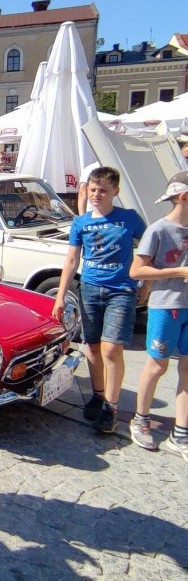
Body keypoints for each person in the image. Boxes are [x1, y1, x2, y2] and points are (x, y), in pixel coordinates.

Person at [52, 167, 146, 433]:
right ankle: (98, 393)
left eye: (103, 190)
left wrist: (146, 284)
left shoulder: (130, 219)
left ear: (115, 191)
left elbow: (148, 251)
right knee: (92, 346)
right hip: (90, 289)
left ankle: (111, 407)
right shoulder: (81, 222)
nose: (96, 194)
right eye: (92, 189)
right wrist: (60, 295)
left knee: (111, 349)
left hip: (121, 291)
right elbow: (72, 260)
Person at [127, 171, 188, 460]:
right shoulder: (158, 230)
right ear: (183, 197)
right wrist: (179, 272)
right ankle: (140, 419)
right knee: (157, 366)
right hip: (166, 305)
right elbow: (136, 270)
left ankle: (181, 434)